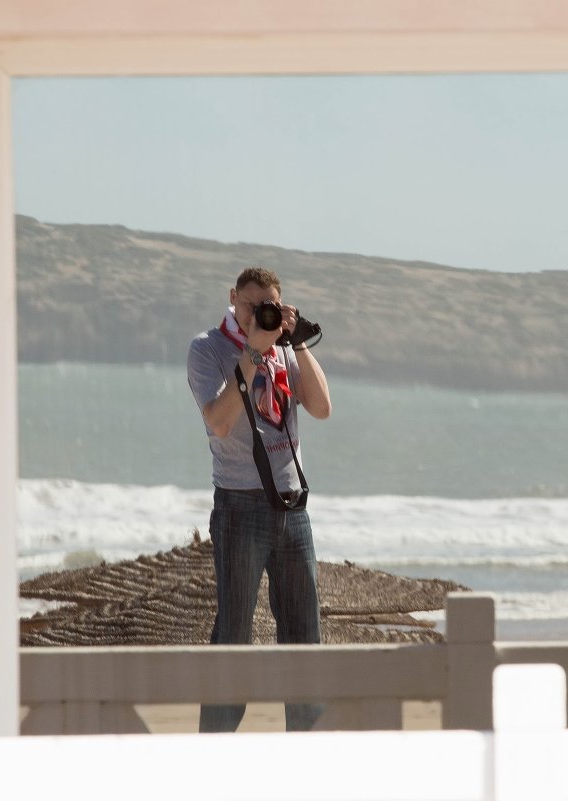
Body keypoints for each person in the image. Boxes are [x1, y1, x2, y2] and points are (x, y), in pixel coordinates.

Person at [187, 266, 332, 732]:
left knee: (304, 640)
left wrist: (296, 342)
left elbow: (322, 407)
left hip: (292, 508)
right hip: (239, 507)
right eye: (251, 305)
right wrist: (254, 349)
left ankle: (308, 754)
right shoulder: (207, 348)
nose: (259, 314)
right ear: (232, 298)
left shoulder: (283, 350)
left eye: (268, 305)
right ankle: (214, 751)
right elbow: (219, 421)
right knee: (233, 636)